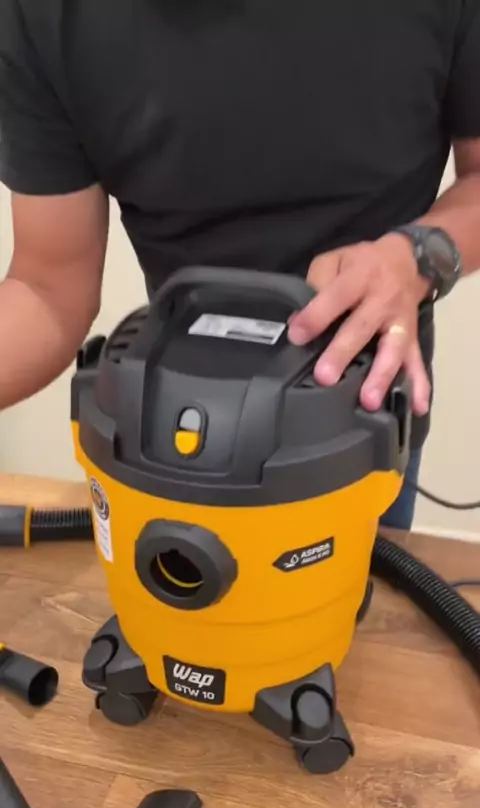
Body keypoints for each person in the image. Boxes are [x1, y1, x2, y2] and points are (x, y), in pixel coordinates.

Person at [1, 1, 480, 531]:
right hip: (166, 435)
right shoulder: (42, 14)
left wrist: (418, 256)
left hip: (356, 431)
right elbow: (47, 289)